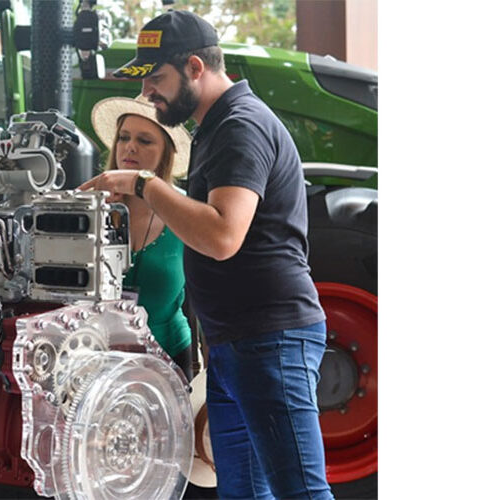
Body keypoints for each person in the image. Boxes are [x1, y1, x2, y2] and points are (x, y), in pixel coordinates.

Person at [79, 9, 333, 500]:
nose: (149, 93)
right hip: (239, 343)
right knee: (243, 492)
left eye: (157, 79)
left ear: (195, 67)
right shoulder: (220, 126)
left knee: (300, 492)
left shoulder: (241, 125)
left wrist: (143, 183)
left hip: (269, 340)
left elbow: (222, 236)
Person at [90, 96, 194, 381]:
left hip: (169, 356)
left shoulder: (186, 209)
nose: (130, 147)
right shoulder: (90, 206)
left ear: (166, 152)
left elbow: (213, 297)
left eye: (145, 141)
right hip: (99, 360)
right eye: (124, 138)